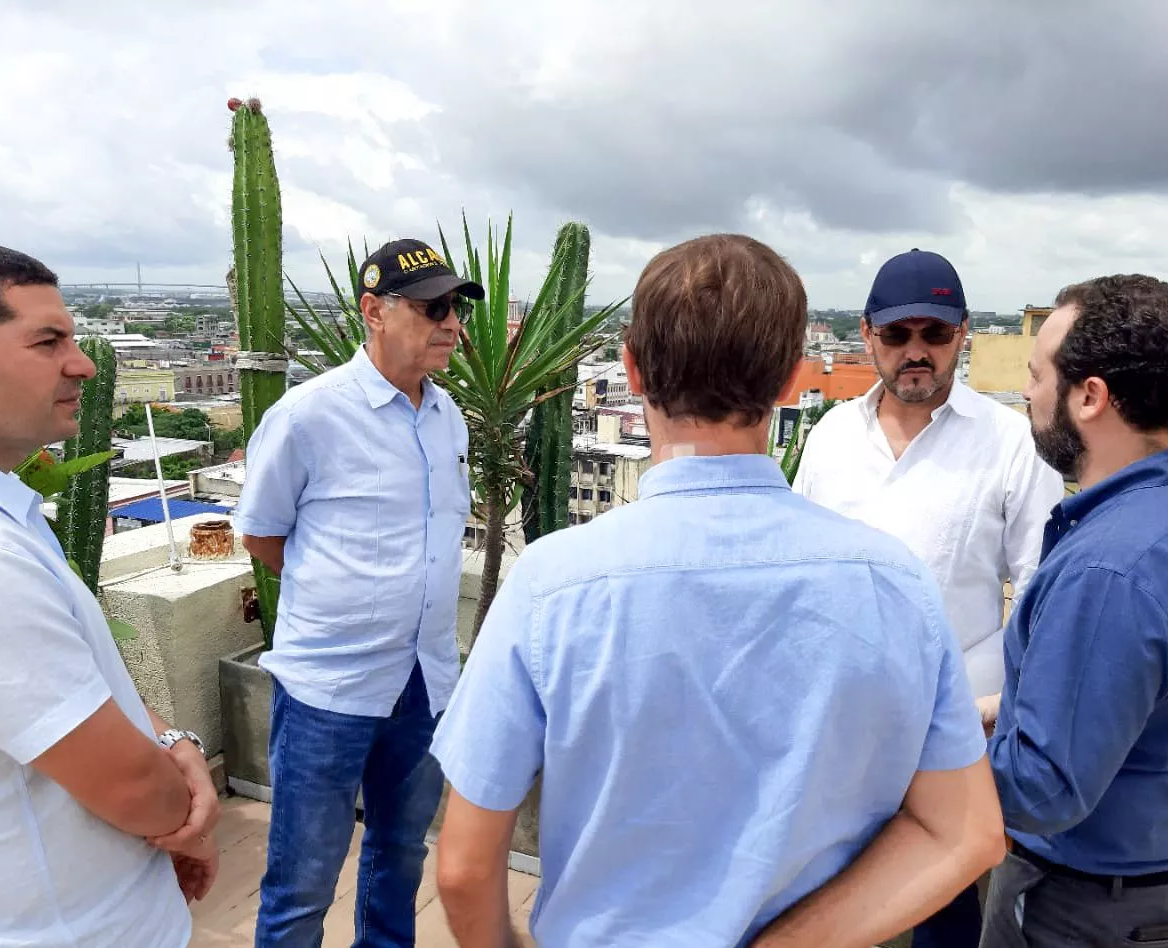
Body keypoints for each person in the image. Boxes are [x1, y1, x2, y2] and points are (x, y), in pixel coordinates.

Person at [428, 234, 1005, 948]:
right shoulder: (894, 584)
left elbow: (461, 867)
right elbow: (968, 831)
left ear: (632, 368)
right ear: (792, 378)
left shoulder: (552, 586)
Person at [792, 249, 1063, 946]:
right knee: (824, 901)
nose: (917, 353)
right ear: (867, 334)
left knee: (941, 910)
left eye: (934, 335)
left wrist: (1000, 711)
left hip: (955, 727)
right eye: (898, 335)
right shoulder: (829, 438)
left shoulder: (1010, 444)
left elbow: (1042, 595)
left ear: (963, 334)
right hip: (841, 724)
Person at [979, 275, 1168, 947]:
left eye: (1038, 376)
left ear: (1090, 396)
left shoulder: (1111, 567)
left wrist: (910, 753)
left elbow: (1041, 792)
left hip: (1081, 904)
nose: (1027, 393)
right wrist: (1003, 706)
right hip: (1167, 870)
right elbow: (1148, 692)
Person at [238, 238, 482, 947]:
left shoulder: (449, 417)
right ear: (373, 310)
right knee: (302, 881)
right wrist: (339, 597)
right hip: (329, 689)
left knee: (399, 860)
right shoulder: (309, 415)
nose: (452, 325)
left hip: (423, 684)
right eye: (434, 308)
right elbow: (262, 534)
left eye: (456, 310)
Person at [0, 243, 220, 946]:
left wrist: (171, 743)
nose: (83, 363)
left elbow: (84, 679)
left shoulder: (10, 515)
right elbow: (126, 786)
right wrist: (189, 820)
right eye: (48, 340)